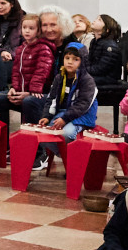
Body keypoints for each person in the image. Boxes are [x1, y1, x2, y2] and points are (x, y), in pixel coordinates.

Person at [23, 40, 98, 171]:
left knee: (66, 134)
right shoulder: (60, 77)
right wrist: (47, 116)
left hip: (81, 116)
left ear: (83, 62)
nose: (70, 62)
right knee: (44, 132)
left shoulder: (87, 81)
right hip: (64, 112)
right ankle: (65, 155)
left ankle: (72, 160)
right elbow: (51, 99)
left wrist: (65, 119)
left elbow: (83, 105)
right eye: (67, 58)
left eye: (75, 59)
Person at [0, 9, 51, 127]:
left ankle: (32, 140)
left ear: (38, 31)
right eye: (24, 27)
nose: (27, 31)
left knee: (29, 101)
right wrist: (14, 88)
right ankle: (2, 143)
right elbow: (16, 71)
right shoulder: (21, 48)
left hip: (37, 93)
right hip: (21, 90)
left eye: (31, 28)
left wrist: (33, 90)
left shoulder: (43, 48)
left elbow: (42, 71)